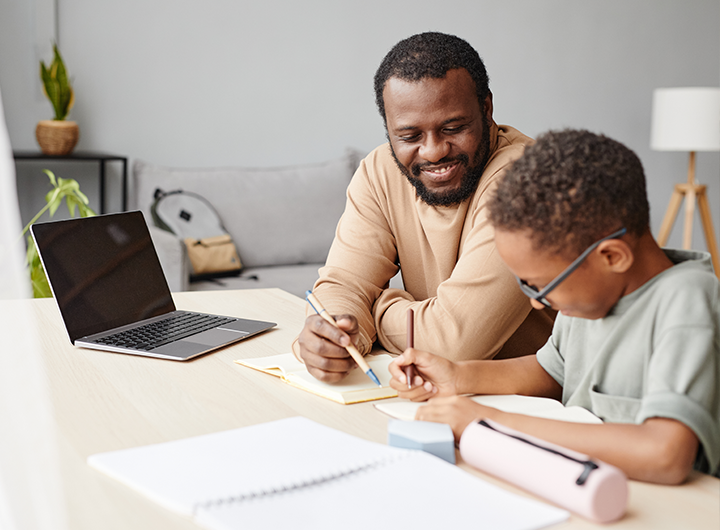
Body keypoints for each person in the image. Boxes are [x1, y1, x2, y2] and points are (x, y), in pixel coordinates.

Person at [388, 129, 720, 484]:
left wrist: (487, 422)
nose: (536, 301)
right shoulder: (591, 296)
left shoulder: (687, 300)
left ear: (612, 256)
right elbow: (553, 372)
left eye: (544, 286)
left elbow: (664, 454)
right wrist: (458, 376)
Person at [294, 32, 555, 383]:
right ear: (388, 130)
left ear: (487, 109)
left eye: (453, 128)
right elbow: (343, 285)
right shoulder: (379, 171)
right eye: (409, 136)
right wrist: (332, 333)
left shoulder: (530, 178)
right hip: (433, 395)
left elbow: (455, 343)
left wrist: (377, 309)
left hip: (533, 404)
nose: (433, 151)